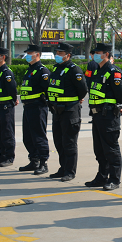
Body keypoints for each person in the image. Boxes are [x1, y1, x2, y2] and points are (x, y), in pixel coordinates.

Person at [85, 42, 122, 191]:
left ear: (106, 54)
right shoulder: (97, 71)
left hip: (108, 116)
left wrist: (118, 107)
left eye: (98, 52)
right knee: (99, 149)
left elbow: (120, 94)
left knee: (111, 149)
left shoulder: (113, 71)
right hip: (97, 116)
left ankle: (114, 179)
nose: (95, 55)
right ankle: (102, 176)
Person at [47, 42, 88, 182]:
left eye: (60, 53)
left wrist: (76, 100)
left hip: (70, 111)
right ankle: (63, 167)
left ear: (68, 55)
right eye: (56, 53)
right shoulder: (56, 69)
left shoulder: (74, 70)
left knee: (69, 142)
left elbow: (82, 89)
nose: (57, 55)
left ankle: (70, 171)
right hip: (57, 111)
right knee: (59, 142)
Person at [18, 44, 51, 175]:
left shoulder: (43, 71)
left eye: (30, 53)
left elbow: (48, 90)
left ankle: (43, 162)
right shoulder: (30, 70)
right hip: (28, 107)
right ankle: (34, 160)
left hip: (38, 107)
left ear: (37, 55)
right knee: (28, 136)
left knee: (38, 135)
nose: (27, 55)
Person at [0, 47, 18, 167]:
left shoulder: (7, 72)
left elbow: (12, 89)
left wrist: (13, 100)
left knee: (7, 132)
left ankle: (9, 157)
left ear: (3, 57)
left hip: (6, 107)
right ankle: (2, 155)